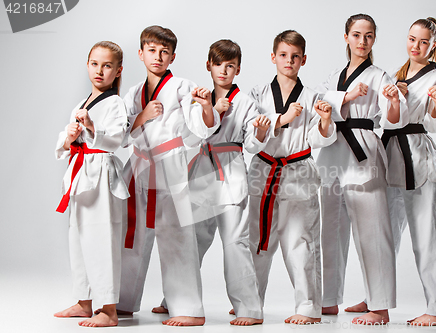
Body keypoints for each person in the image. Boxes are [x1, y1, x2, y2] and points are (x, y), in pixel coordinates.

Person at [154, 39, 271, 326]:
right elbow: (193, 136)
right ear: (209, 66)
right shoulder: (197, 97)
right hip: (203, 172)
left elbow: (253, 145)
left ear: (238, 70)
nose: (223, 70)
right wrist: (211, 108)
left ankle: (249, 310)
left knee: (234, 243)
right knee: (189, 240)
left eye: (230, 66)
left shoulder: (245, 102)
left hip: (230, 173)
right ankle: (177, 300)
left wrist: (260, 132)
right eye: (218, 64)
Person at [117, 25, 220, 327]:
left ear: (172, 56)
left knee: (177, 235)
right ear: (141, 53)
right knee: (130, 234)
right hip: (137, 167)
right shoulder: (134, 93)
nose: (158, 57)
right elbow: (121, 136)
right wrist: (142, 116)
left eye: (164, 52)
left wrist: (206, 107)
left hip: (169, 165)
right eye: (152, 50)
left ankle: (188, 308)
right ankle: (122, 301)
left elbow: (199, 130)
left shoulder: (183, 87)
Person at [316, 13, 408, 325]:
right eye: (356, 35)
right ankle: (328, 300)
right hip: (332, 153)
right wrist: (347, 96)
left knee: (372, 229)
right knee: (330, 228)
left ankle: (379, 306)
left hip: (363, 150)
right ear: (346, 37)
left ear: (374, 40)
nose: (362, 42)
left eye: (369, 36)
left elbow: (394, 117)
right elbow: (319, 103)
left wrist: (394, 101)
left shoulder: (381, 77)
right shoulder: (334, 76)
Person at [247, 30, 336, 325]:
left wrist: (324, 121)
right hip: (264, 170)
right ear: (273, 57)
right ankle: (250, 303)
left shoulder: (312, 97)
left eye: (295, 56)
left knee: (301, 239)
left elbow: (318, 139)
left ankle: (308, 307)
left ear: (304, 60)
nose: (289, 61)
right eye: (283, 55)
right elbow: (250, 136)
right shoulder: (257, 94)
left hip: (298, 172)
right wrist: (277, 121)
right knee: (258, 239)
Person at [381, 17, 436, 326]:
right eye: (412, 39)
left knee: (427, 235)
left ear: (432, 45)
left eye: (423, 42)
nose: (416, 46)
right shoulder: (395, 75)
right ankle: (377, 300)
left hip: (419, 160)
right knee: (383, 234)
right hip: (390, 156)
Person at [54, 41, 129, 327]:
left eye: (107, 65)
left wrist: (92, 128)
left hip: (101, 176)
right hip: (80, 174)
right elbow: (64, 143)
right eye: (95, 64)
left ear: (118, 70)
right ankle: (84, 302)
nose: (100, 70)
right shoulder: (81, 103)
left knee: (101, 240)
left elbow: (119, 138)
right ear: (87, 65)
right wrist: (69, 137)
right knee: (79, 237)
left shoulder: (115, 103)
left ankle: (108, 309)